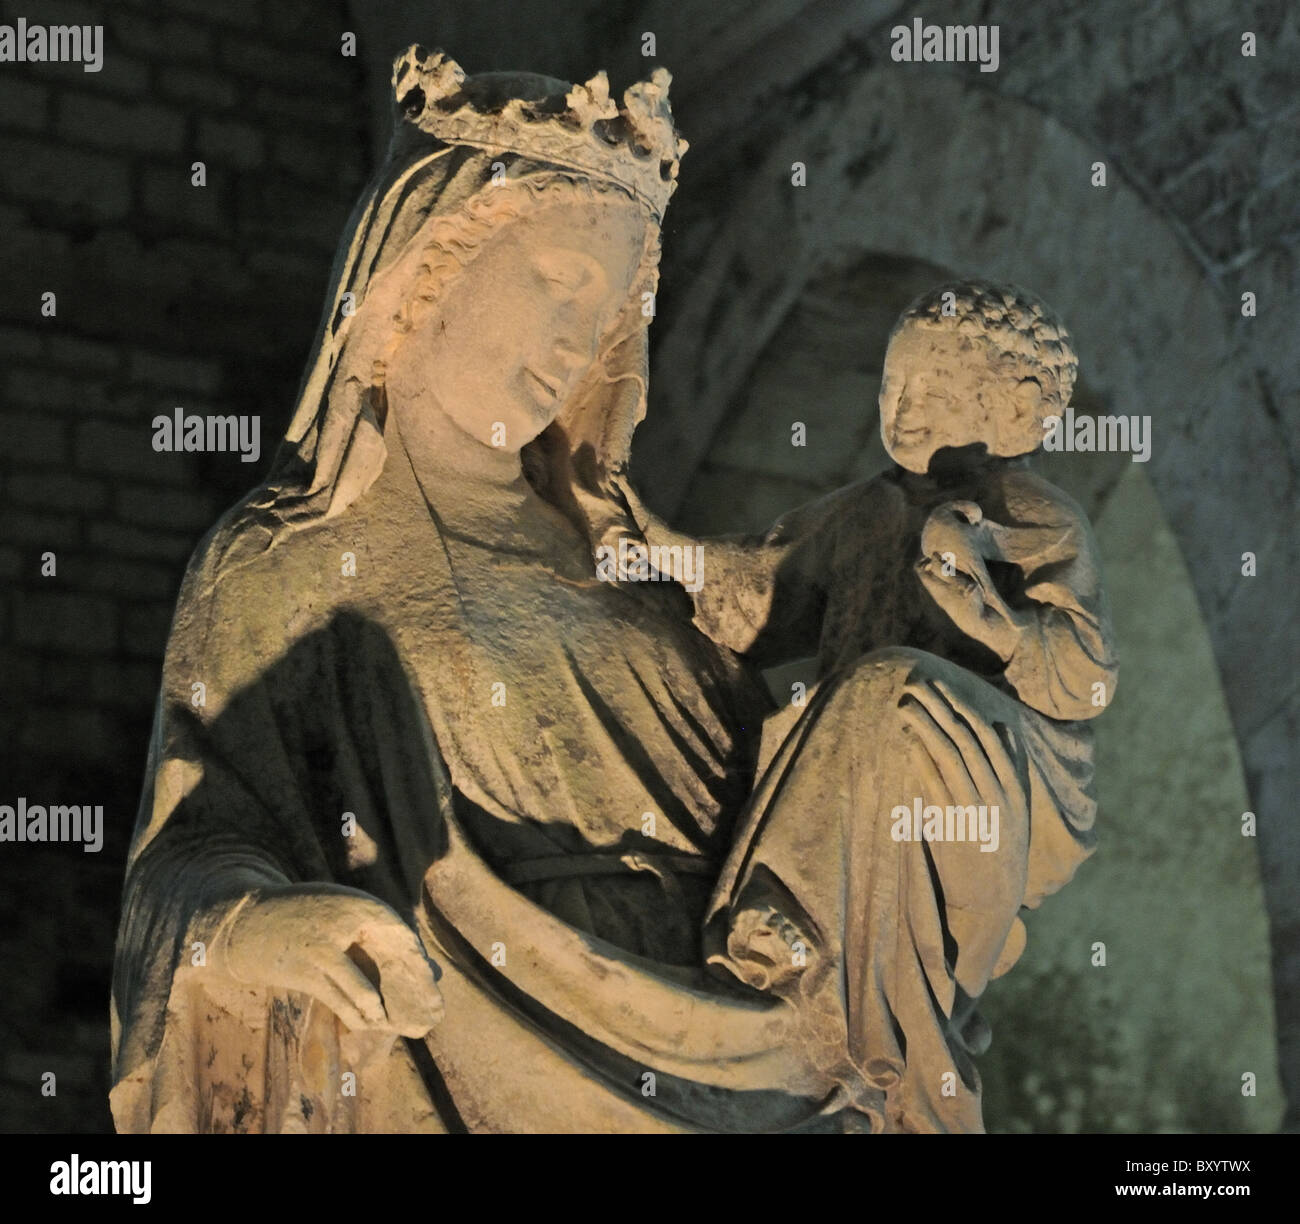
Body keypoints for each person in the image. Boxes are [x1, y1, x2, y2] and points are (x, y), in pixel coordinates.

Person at [110, 48, 1092, 1135]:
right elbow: (195, 843)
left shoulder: (631, 561)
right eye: (557, 286)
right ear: (429, 266)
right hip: (471, 1035)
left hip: (754, 1043)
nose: (578, 340)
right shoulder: (286, 556)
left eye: (612, 306)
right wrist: (253, 927)